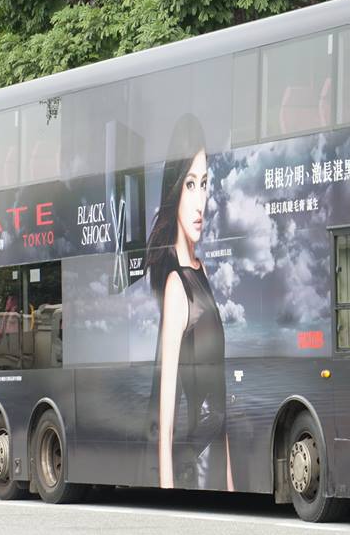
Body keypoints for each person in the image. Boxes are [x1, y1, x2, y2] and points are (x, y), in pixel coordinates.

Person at [146, 114, 233, 491]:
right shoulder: (176, 286)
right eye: (190, 184)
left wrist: (231, 483)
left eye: (205, 184)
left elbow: (219, 403)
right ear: (176, 190)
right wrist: (166, 488)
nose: (200, 201)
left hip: (217, 458)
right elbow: (166, 415)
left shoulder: (202, 270)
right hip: (197, 464)